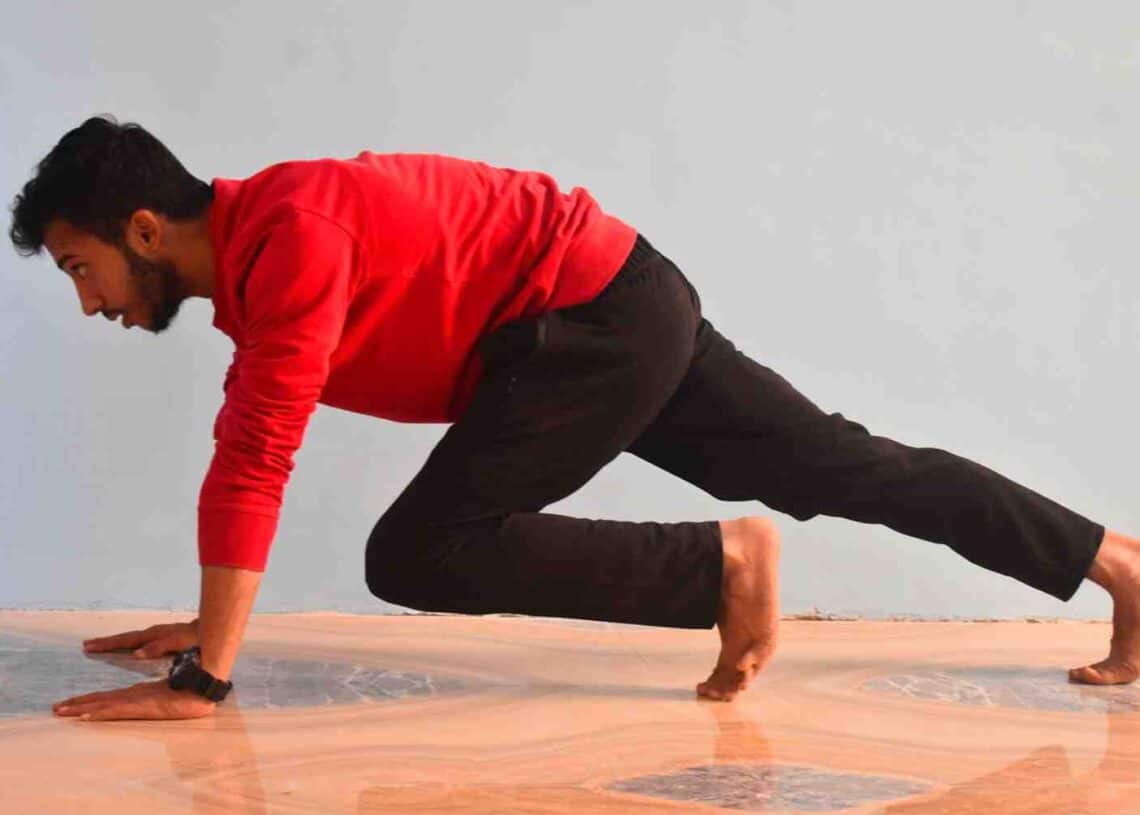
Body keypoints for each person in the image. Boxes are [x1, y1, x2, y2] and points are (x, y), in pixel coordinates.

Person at [10, 115, 1137, 722]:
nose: (89, 302)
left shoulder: (293, 235)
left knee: (418, 550)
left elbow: (255, 456)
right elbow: (247, 447)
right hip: (619, 300)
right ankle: (1122, 564)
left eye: (79, 267)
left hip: (590, 321)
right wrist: (208, 630)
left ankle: (724, 564)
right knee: (847, 464)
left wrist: (207, 676)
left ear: (144, 228)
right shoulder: (271, 245)